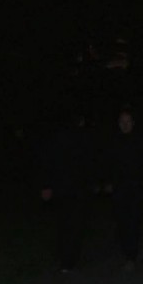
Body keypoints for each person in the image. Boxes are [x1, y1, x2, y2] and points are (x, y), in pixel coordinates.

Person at [39, 112, 99, 274]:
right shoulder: (61, 137)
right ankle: (67, 258)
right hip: (67, 188)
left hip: (75, 188)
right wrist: (47, 185)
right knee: (68, 224)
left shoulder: (82, 137)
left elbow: (90, 162)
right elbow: (49, 160)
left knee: (70, 224)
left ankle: (68, 259)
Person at [104, 108, 143, 271]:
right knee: (122, 222)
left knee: (134, 221)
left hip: (135, 187)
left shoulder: (140, 141)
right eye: (122, 122)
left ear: (133, 123)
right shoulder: (114, 141)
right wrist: (108, 182)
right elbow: (108, 164)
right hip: (119, 188)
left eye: (128, 121)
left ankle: (132, 256)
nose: (125, 125)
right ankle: (127, 252)